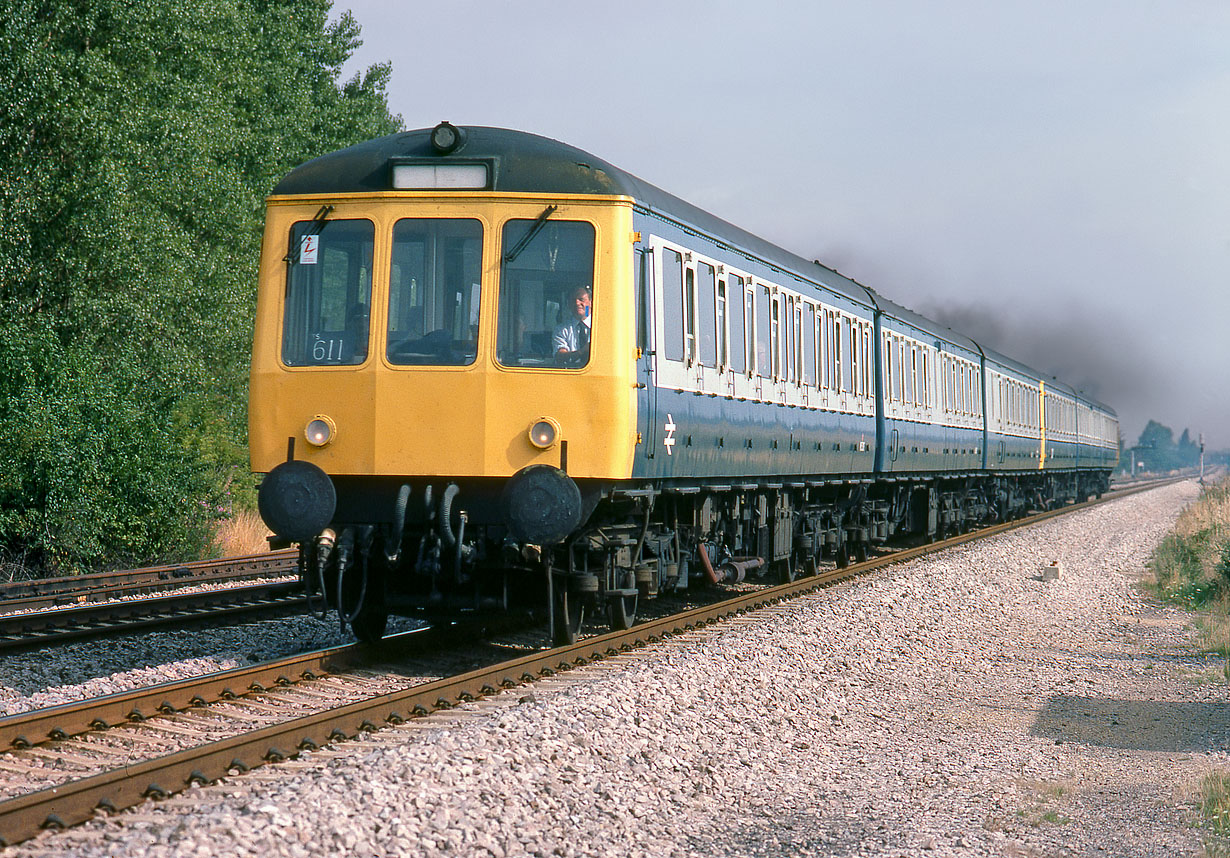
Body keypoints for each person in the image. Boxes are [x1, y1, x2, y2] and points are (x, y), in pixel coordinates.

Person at [553, 285, 592, 358]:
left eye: (581, 299)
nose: (577, 303)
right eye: (573, 300)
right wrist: (582, 352)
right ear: (569, 304)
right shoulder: (561, 329)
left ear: (590, 302)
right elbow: (560, 356)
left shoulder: (601, 327)